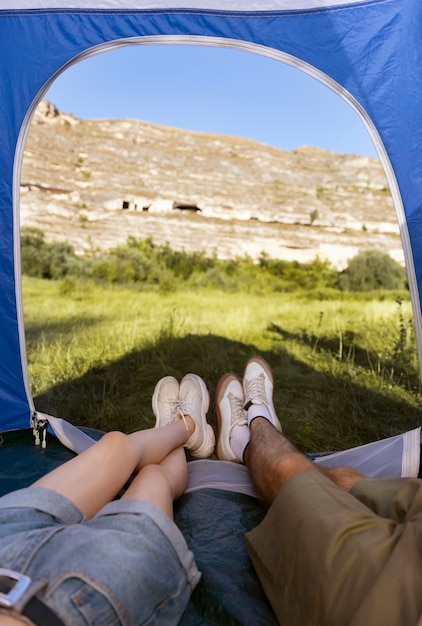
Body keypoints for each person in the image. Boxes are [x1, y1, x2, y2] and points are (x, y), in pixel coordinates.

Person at [215, 356, 422, 626]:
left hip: (396, 601)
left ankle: (252, 424)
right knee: (349, 482)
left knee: (291, 476)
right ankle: (248, 438)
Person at [0, 373, 215, 626]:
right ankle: (186, 427)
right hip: (75, 607)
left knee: (116, 446)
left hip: (6, 541)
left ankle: (176, 429)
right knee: (153, 477)